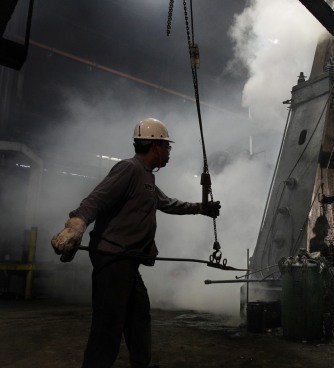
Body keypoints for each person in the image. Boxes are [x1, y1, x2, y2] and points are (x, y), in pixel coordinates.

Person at [50, 118, 221, 367]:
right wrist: (76, 225)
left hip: (128, 262)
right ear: (155, 147)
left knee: (138, 318)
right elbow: (96, 199)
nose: (169, 153)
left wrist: (201, 208)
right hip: (113, 259)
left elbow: (168, 203)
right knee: (108, 325)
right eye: (167, 148)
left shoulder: (147, 178)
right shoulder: (128, 169)